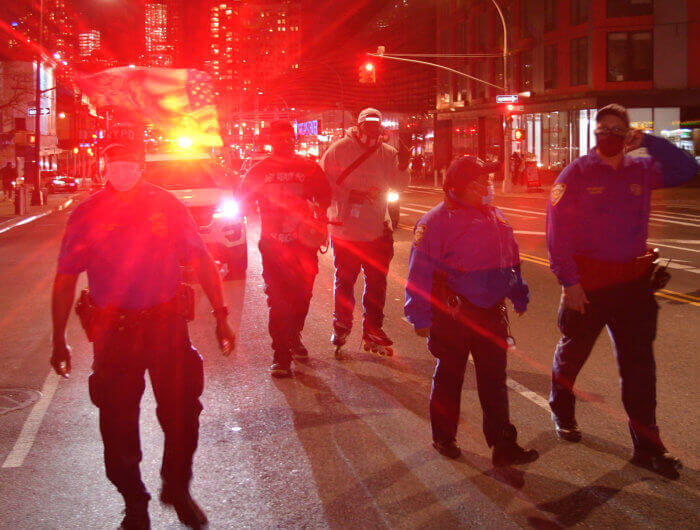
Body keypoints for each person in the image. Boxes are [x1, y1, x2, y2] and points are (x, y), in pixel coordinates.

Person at [50, 131, 236, 529]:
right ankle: (134, 502)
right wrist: (57, 339)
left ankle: (177, 486)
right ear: (103, 166)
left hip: (165, 327)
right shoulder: (87, 213)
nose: (122, 167)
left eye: (128, 159)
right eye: (113, 160)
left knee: (184, 412)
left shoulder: (166, 206)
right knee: (117, 422)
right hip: (114, 334)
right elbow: (65, 278)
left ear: (141, 163)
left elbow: (202, 261)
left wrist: (222, 315)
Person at [547, 103, 698, 479]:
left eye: (618, 130)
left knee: (640, 368)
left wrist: (648, 141)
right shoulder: (577, 174)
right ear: (595, 134)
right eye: (603, 130)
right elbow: (557, 234)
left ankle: (648, 446)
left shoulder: (642, 170)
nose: (609, 136)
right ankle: (562, 410)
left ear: (627, 135)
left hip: (633, 286)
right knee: (574, 354)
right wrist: (570, 283)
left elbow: (688, 169)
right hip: (590, 284)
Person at [405, 155, 539, 466]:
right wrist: (419, 315)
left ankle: (503, 445)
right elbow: (419, 272)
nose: (487, 185)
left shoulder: (494, 216)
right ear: (459, 187)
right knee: (450, 378)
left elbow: (511, 257)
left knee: (494, 380)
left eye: (487, 180)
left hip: (490, 313)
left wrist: (518, 291)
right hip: (453, 315)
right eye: (480, 181)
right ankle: (444, 436)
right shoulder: (434, 222)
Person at [239, 121, 332, 377]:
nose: (284, 142)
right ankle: (281, 355)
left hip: (304, 247)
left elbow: (325, 195)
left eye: (288, 138)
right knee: (279, 302)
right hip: (274, 248)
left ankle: (293, 335)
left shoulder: (308, 167)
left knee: (302, 297)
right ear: (271, 140)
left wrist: (318, 214)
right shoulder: (260, 170)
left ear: (294, 139)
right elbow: (242, 199)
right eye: (279, 138)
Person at [320, 108, 409, 357]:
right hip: (347, 231)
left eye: (376, 123)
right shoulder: (339, 149)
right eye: (367, 123)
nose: (372, 127)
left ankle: (373, 328)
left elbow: (400, 184)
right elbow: (324, 184)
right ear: (359, 125)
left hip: (378, 230)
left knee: (377, 283)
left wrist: (403, 164)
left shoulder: (387, 153)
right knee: (345, 280)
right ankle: (342, 323)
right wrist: (350, 195)